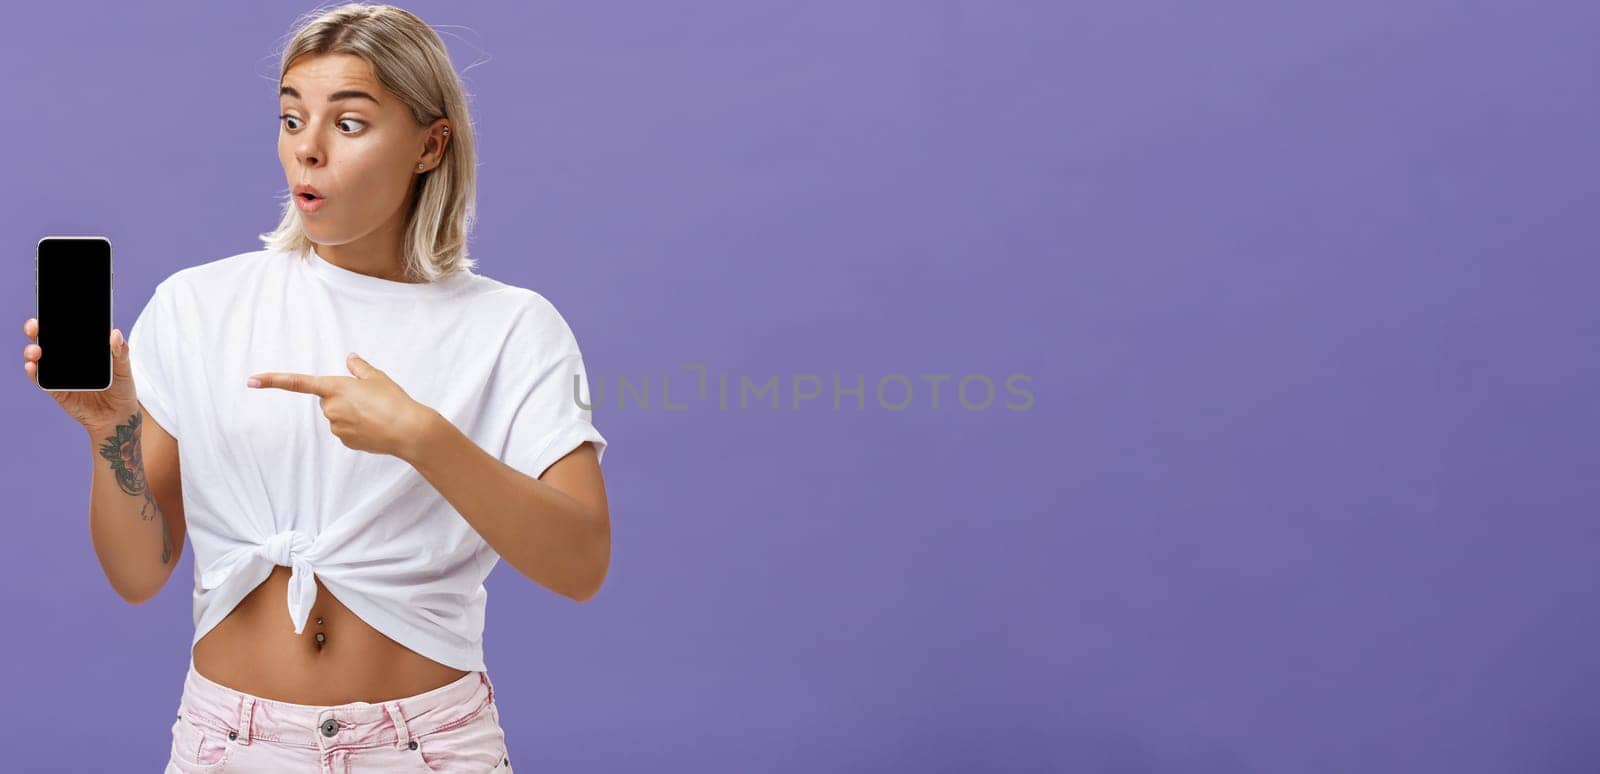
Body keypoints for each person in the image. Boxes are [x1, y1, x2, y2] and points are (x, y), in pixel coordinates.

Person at [22, 4, 610, 771]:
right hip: (229, 746)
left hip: (427, 747)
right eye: (292, 119)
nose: (308, 151)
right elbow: (139, 573)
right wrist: (113, 434)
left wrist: (423, 440)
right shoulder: (199, 305)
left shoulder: (511, 327)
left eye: (351, 124)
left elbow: (581, 564)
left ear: (431, 145)